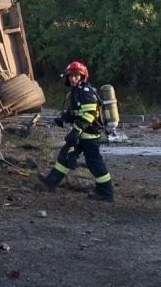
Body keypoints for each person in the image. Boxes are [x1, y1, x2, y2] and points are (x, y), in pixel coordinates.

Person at [39, 61, 114, 202]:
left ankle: (106, 192)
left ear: (82, 77)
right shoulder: (76, 92)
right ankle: (51, 181)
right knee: (65, 156)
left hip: (89, 135)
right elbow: (75, 112)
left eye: (76, 76)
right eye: (71, 76)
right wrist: (63, 118)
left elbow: (90, 114)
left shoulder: (85, 92)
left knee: (94, 162)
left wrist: (76, 131)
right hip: (81, 134)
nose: (73, 79)